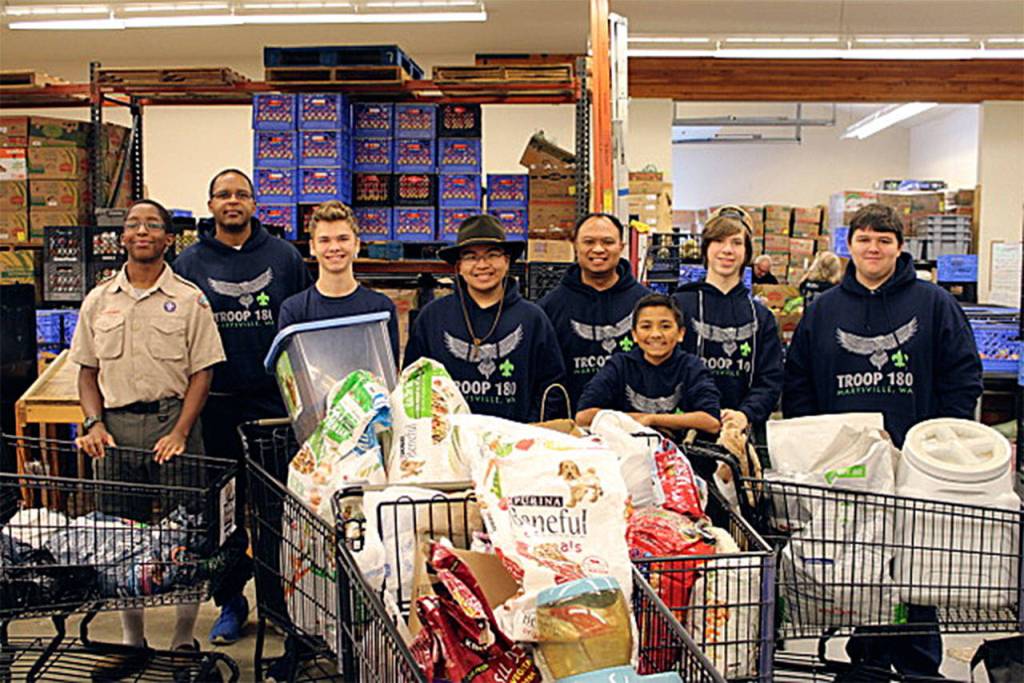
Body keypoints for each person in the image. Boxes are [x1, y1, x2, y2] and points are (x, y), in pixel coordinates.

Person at [783, 203, 983, 681]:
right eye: (865, 239)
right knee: (859, 565)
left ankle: (918, 664)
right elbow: (800, 381)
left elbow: (963, 374)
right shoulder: (824, 309)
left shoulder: (934, 303)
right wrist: (819, 446)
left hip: (918, 465)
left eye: (884, 240)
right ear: (848, 245)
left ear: (899, 247)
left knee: (914, 568)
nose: (873, 248)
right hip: (848, 469)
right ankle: (866, 660)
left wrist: (936, 441)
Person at [71, 199, 226, 681]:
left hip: (172, 424)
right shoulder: (99, 300)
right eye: (133, 224)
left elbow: (203, 371)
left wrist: (181, 430)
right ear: (123, 238)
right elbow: (86, 372)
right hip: (115, 431)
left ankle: (183, 640)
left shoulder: (189, 297)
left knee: (188, 535)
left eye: (152, 224)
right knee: (119, 539)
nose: (142, 231)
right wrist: (94, 424)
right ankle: (131, 642)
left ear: (167, 239)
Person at [172, 168, 311, 645]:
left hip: (273, 408)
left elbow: (301, 330)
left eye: (241, 194)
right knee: (223, 515)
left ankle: (278, 604)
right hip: (216, 409)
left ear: (255, 203)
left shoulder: (285, 258)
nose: (232, 201)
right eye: (223, 194)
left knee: (276, 512)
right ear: (210, 205)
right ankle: (231, 602)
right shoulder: (189, 264)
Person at [404, 215, 566, 422]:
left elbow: (551, 387)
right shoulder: (432, 318)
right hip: (449, 444)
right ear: (459, 266)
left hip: (515, 444)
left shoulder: (533, 319)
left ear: (507, 261)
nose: (482, 265)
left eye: (492, 255)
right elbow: (413, 384)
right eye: (471, 257)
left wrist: (531, 432)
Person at [672, 206, 784, 439]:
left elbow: (771, 380)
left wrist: (745, 414)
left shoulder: (762, 317)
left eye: (736, 242)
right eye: (718, 241)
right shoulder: (678, 306)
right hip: (682, 438)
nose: (727, 250)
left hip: (740, 437)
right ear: (706, 248)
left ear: (747, 252)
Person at [538, 212, 649, 412]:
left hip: (637, 427)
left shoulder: (647, 305)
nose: (598, 249)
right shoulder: (549, 308)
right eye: (589, 241)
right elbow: (544, 377)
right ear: (575, 246)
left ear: (621, 247)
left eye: (607, 242)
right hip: (570, 431)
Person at [575, 294, 721, 437]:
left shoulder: (692, 367)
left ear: (680, 333)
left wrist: (652, 419)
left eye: (665, 326)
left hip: (682, 455)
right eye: (646, 326)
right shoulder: (619, 365)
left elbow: (711, 421)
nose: (655, 334)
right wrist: (639, 419)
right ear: (634, 335)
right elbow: (583, 416)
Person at [278, 200, 399, 365]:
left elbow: (389, 374)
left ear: (356, 245)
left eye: (343, 239)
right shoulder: (294, 311)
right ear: (312, 247)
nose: (334, 247)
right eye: (324, 240)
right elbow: (293, 377)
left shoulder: (380, 308)